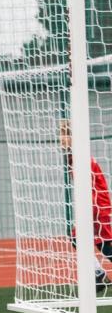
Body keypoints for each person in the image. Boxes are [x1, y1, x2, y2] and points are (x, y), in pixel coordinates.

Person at [59, 119, 112, 290]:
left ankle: (98, 274)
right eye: (61, 134)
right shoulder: (75, 157)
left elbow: (89, 186)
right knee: (79, 237)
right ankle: (98, 274)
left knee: (104, 244)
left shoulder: (81, 158)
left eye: (65, 134)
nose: (61, 139)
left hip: (97, 206)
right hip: (92, 206)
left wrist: (88, 209)